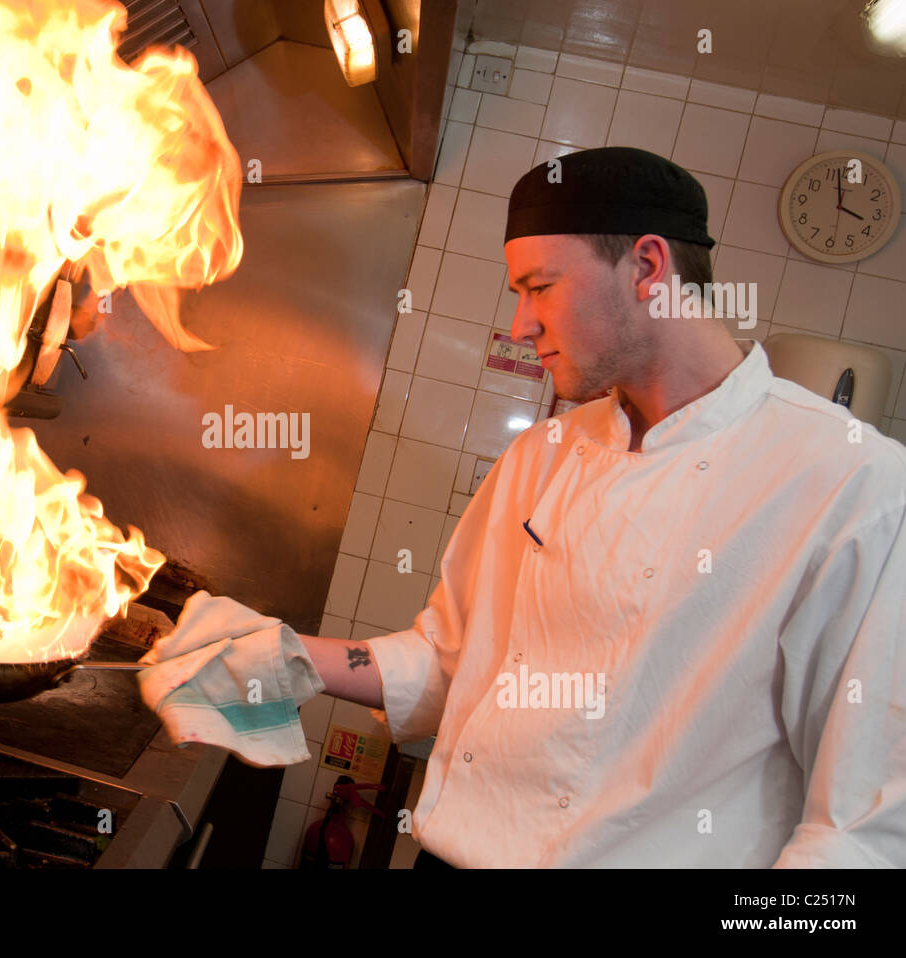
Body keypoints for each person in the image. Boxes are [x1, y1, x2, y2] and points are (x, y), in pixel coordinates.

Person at [298, 147, 906, 867]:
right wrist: (287, 659)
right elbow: (449, 663)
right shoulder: (545, 453)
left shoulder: (854, 483)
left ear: (647, 267)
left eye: (540, 287)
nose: (522, 326)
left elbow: (863, 831)